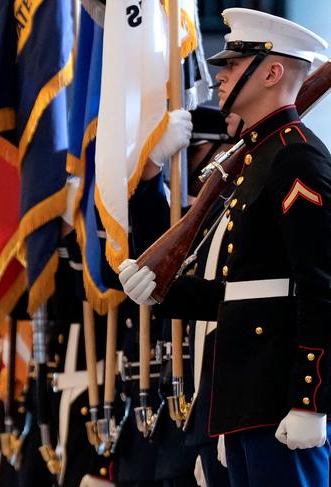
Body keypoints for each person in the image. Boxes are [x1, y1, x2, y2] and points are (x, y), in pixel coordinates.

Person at [118, 8, 331, 487]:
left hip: (277, 396)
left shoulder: (296, 157)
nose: (221, 74)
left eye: (233, 65)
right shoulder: (255, 157)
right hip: (239, 394)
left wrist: (310, 400)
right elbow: (240, 292)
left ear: (272, 72)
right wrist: (161, 292)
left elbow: (321, 289)